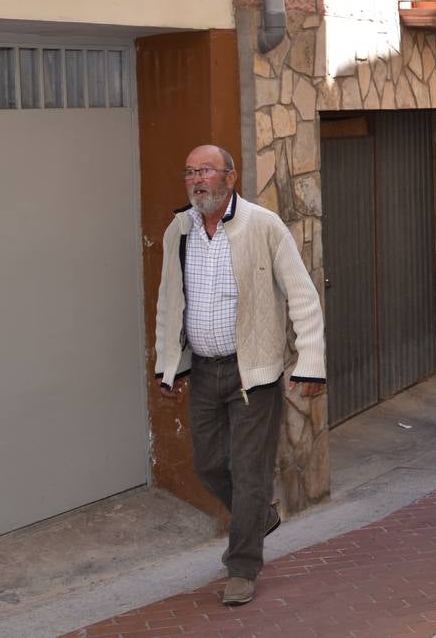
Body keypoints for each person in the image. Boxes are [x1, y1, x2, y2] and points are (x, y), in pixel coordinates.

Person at [154, 145, 326, 607]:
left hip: (254, 373)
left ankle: (242, 566)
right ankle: (258, 516)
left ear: (230, 177)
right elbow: (169, 300)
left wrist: (310, 363)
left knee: (250, 473)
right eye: (190, 172)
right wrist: (167, 364)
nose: (196, 180)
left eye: (206, 171)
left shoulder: (263, 225)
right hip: (204, 370)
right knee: (208, 464)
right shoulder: (179, 230)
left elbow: (303, 296)